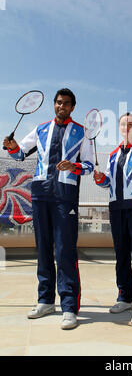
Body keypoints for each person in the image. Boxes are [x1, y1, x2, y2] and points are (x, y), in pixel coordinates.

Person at [3, 88, 94, 330]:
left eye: (66, 104)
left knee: (65, 251)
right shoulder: (41, 128)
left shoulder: (82, 133)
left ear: (72, 107)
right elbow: (21, 154)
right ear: (54, 105)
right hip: (41, 193)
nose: (61, 107)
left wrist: (73, 166)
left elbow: (89, 167)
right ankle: (45, 300)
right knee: (43, 248)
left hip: (65, 195)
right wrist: (11, 146)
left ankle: (69, 307)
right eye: (58, 103)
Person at [94, 112, 132, 325]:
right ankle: (124, 297)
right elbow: (108, 183)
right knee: (121, 255)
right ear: (119, 128)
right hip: (116, 208)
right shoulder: (113, 154)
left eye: (130, 124)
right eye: (123, 124)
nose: (127, 127)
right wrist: (100, 178)